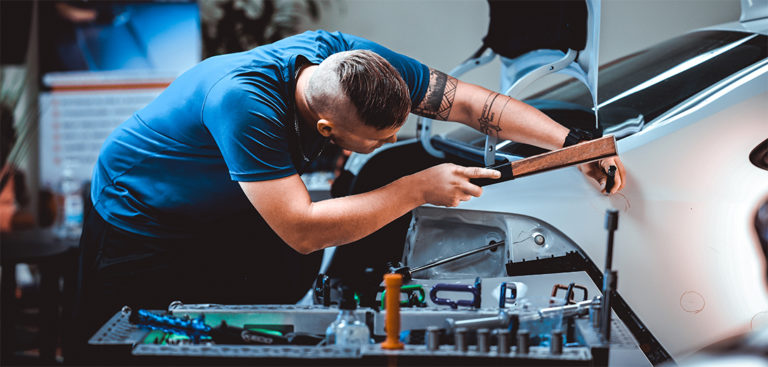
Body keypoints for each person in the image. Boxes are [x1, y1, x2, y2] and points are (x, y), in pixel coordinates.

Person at [74, 30, 625, 355]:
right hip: (142, 217)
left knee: (244, 333)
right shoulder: (244, 104)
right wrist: (415, 189)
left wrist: (574, 145)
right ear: (327, 131)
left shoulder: (357, 67)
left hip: (232, 209)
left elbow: (473, 106)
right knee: (134, 346)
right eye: (379, 140)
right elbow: (302, 230)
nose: (392, 141)